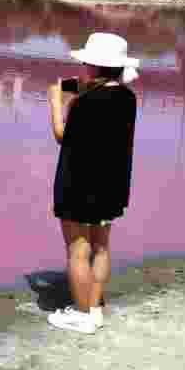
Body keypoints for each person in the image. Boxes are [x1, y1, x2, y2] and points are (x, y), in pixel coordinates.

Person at [45, 33, 139, 334]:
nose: (83, 65)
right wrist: (74, 86)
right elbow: (96, 88)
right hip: (112, 184)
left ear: (94, 66)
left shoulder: (86, 102)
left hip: (78, 183)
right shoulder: (128, 98)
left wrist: (55, 102)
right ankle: (95, 307)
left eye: (86, 62)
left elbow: (62, 136)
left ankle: (83, 314)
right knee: (101, 247)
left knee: (77, 249)